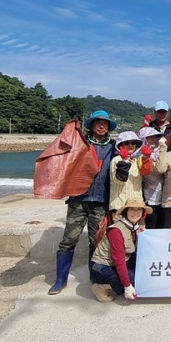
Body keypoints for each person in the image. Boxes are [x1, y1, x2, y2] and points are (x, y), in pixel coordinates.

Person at [48, 110, 117, 295]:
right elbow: (62, 156)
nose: (101, 126)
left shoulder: (114, 146)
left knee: (96, 242)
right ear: (92, 125)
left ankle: (94, 277)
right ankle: (60, 280)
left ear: (108, 127)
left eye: (105, 123)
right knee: (69, 240)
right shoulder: (80, 143)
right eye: (98, 123)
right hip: (78, 199)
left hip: (101, 201)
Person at [89, 198, 151, 302]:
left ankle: (121, 283)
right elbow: (119, 260)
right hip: (102, 266)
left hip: (124, 259)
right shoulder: (116, 231)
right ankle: (101, 287)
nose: (135, 213)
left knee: (144, 271)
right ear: (126, 212)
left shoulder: (138, 225)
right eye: (131, 209)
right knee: (134, 278)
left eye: (139, 209)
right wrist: (127, 286)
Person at [109, 131, 154, 214]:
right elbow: (119, 181)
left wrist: (146, 159)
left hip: (137, 206)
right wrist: (124, 161)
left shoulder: (136, 161)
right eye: (126, 143)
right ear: (120, 146)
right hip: (120, 207)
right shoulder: (116, 160)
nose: (130, 145)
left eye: (133, 143)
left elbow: (146, 173)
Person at [138, 126, 164, 229]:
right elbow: (146, 173)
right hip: (150, 196)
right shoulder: (139, 156)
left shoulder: (160, 152)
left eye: (155, 136)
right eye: (149, 137)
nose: (153, 139)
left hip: (164, 194)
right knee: (152, 224)